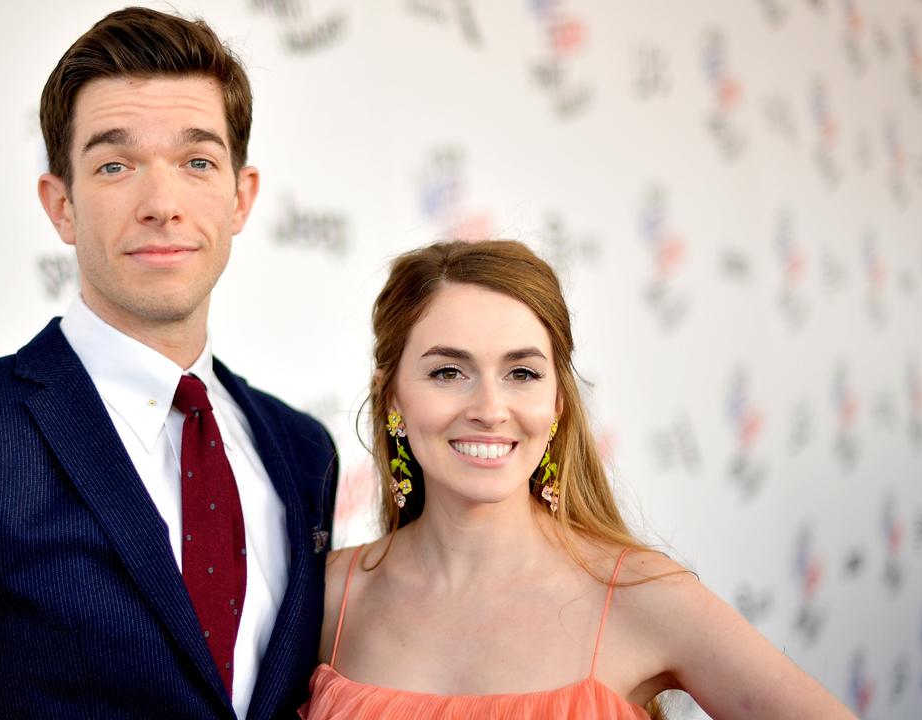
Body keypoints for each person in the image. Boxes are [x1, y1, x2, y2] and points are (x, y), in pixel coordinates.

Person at [0, 8, 338, 719]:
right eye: (115, 165)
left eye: (197, 162)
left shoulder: (303, 451)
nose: (162, 204)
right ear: (61, 205)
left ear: (240, 197)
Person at [301, 240, 853, 719]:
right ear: (390, 394)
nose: (490, 409)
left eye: (522, 373)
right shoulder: (327, 597)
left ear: (558, 402)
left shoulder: (642, 594)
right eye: (449, 371)